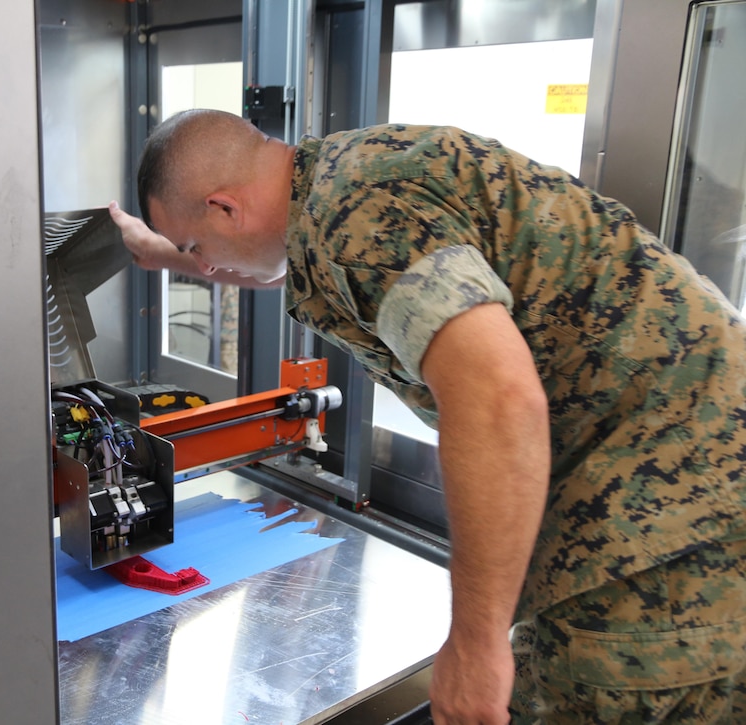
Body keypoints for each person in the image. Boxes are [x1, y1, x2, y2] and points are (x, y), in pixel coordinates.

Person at [109, 108, 746, 724]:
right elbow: (276, 257)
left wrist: (475, 643)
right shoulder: (338, 177)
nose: (208, 268)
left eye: (198, 246)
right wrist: (167, 252)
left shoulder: (357, 222)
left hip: (670, 527)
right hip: (692, 471)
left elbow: (498, 401)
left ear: (226, 206)